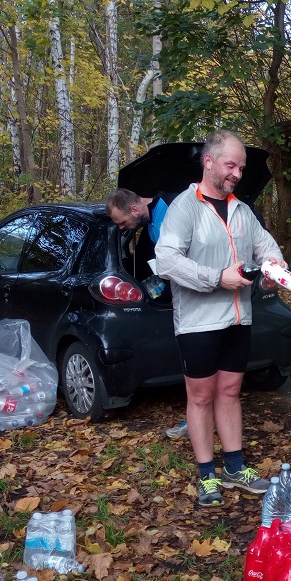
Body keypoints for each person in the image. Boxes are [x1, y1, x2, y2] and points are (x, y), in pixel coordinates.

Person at [155, 130, 286, 506]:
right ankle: (207, 474)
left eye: (241, 168)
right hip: (198, 321)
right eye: (231, 165)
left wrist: (274, 266)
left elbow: (265, 245)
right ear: (208, 161)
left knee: (230, 392)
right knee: (200, 396)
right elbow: (167, 260)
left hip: (237, 318)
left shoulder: (242, 210)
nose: (238, 174)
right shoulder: (185, 207)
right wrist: (217, 277)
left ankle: (234, 467)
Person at [106, 188, 191, 439]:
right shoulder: (151, 221)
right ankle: (197, 418)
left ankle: (198, 420)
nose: (122, 228)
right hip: (178, 298)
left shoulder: (171, 209)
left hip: (195, 299)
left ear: (134, 209)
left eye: (122, 223)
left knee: (200, 366)